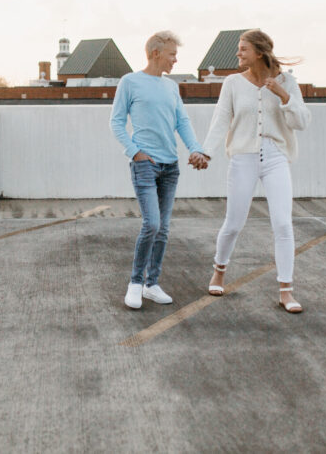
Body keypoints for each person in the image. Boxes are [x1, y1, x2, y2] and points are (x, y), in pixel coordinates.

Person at [199, 29, 310, 312]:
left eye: (243, 49)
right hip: (243, 157)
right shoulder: (233, 83)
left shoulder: (287, 82)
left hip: (276, 157)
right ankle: (219, 271)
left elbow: (302, 122)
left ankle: (286, 291)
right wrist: (206, 152)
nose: (238, 53)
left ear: (259, 53)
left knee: (283, 224)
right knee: (234, 223)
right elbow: (220, 121)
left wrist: (284, 95)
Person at [110, 31, 209, 310]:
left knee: (163, 229)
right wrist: (135, 152)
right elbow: (116, 123)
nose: (175, 60)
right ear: (156, 53)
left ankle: (152, 284)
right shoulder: (130, 82)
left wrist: (195, 149)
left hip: (170, 167)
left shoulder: (171, 87)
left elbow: (182, 122)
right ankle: (135, 284)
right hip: (145, 165)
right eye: (172, 54)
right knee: (151, 224)